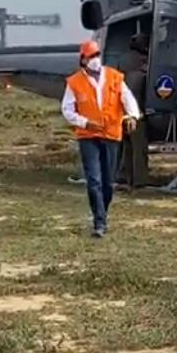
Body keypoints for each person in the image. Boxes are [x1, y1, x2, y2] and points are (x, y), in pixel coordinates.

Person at [61, 40, 141, 238]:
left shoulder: (115, 77)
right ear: (83, 60)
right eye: (90, 56)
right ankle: (99, 222)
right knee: (94, 180)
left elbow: (127, 98)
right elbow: (67, 110)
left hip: (111, 134)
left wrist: (132, 116)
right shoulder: (74, 82)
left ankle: (102, 213)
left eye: (97, 55)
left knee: (107, 182)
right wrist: (84, 122)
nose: (95, 59)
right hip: (88, 136)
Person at [117, 33, 150, 188]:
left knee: (127, 146)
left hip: (121, 111)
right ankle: (140, 181)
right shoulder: (142, 65)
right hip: (137, 113)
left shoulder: (122, 62)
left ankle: (124, 176)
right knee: (139, 147)